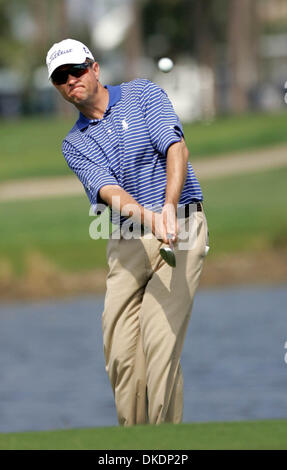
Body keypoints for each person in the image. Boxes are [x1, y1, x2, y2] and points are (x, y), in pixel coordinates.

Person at [46, 38, 209, 426]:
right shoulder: (75, 143)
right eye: (60, 77)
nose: (71, 80)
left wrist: (167, 209)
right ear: (57, 87)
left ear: (95, 68)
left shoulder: (142, 94)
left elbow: (176, 149)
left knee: (158, 343)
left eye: (76, 70)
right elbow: (110, 192)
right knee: (121, 355)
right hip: (126, 241)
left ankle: (164, 446)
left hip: (182, 225)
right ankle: (133, 443)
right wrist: (151, 219)